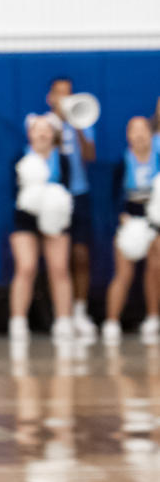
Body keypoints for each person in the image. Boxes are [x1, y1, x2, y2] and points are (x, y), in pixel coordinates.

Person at [8, 113, 74, 342]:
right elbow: (15, 194)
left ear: (54, 134)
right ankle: (18, 320)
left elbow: (67, 190)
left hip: (55, 219)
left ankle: (64, 320)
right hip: (26, 218)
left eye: (47, 129)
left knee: (59, 268)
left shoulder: (63, 159)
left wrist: (52, 213)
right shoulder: (20, 159)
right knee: (26, 267)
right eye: (38, 129)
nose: (43, 133)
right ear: (30, 133)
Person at [45, 78, 97, 339]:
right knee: (57, 258)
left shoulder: (83, 121)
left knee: (80, 255)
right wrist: (56, 125)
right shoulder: (45, 124)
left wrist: (76, 126)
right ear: (51, 98)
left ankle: (80, 310)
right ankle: (60, 314)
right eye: (60, 94)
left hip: (79, 195)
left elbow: (90, 156)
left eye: (70, 94)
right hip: (53, 197)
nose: (65, 99)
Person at [103, 116, 160, 343]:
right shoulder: (123, 162)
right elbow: (113, 198)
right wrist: (122, 218)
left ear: (150, 133)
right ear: (128, 136)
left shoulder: (158, 158)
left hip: (155, 221)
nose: (138, 135)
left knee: (155, 267)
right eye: (133, 130)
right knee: (124, 272)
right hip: (130, 220)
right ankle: (111, 321)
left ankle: (153, 318)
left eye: (142, 130)